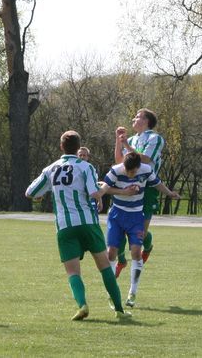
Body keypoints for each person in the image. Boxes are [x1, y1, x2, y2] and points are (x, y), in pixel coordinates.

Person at [25, 131, 131, 320]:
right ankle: (119, 310)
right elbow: (94, 193)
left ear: (61, 147)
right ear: (78, 147)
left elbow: (30, 192)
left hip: (65, 226)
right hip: (88, 223)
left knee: (73, 272)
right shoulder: (85, 166)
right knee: (104, 266)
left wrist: (43, 193)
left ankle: (82, 305)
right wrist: (105, 188)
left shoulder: (51, 169)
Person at [101, 151, 180, 308]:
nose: (130, 174)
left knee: (136, 252)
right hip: (117, 215)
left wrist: (169, 193)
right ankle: (112, 292)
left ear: (139, 167)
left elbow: (157, 183)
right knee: (111, 253)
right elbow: (104, 188)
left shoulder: (146, 170)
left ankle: (132, 292)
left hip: (136, 215)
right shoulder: (116, 171)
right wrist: (123, 192)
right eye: (128, 171)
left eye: (133, 172)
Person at [114, 108, 165, 277]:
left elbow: (146, 159)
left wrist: (126, 146)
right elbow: (119, 161)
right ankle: (121, 260)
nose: (134, 119)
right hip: (127, 186)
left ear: (146, 121)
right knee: (120, 229)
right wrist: (118, 141)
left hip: (147, 188)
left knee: (138, 234)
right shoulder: (131, 139)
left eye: (138, 117)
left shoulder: (155, 138)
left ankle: (147, 247)